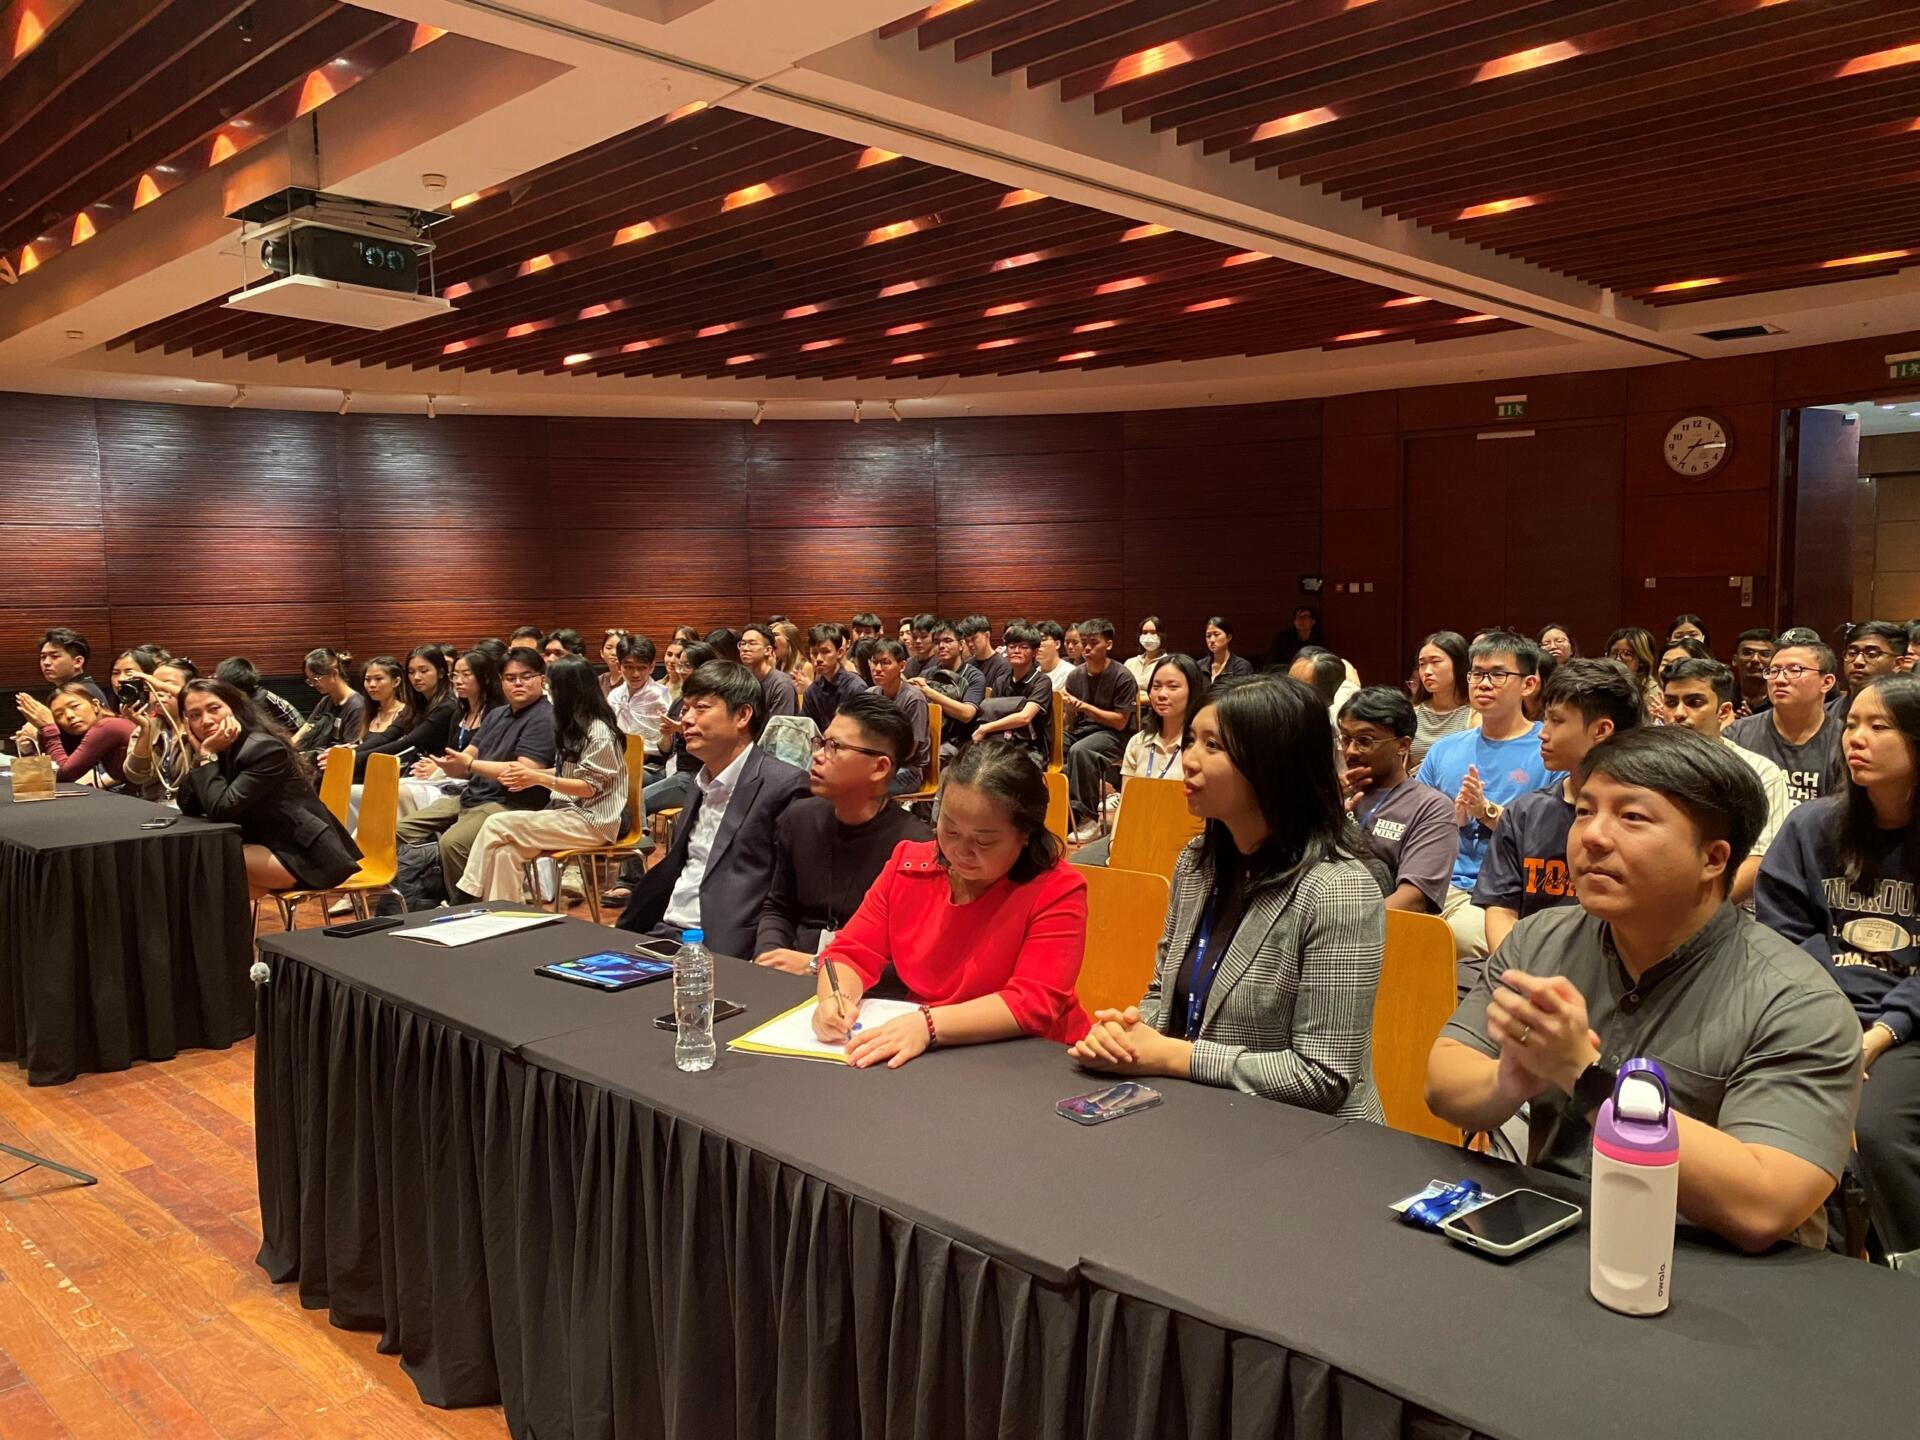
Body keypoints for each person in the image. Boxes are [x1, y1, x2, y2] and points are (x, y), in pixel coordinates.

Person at [1431, 728, 1862, 1251]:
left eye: (1632, 817)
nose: (1592, 836)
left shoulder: (1796, 1000)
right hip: (1555, 1234)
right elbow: (1444, 1080)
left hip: (1714, 1269)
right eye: (1585, 811)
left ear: (1713, 858)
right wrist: (1508, 1080)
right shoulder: (1541, 938)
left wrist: (1583, 1078)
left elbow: (1764, 1204)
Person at [1069, 675, 1385, 1117]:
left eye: (1213, 745)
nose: (1189, 760)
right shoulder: (1197, 862)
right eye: (1190, 741)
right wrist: (1128, 1034)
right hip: (1202, 1111)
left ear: (1273, 763)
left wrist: (1174, 1056)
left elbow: (1322, 1077)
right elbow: (1164, 992)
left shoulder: (1339, 890)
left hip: (1302, 1134)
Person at [1755, 675, 1920, 1263]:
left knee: (1873, 1129)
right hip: (1821, 1011)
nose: (1856, 738)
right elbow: (1782, 933)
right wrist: (1831, 1020)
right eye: (1851, 724)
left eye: (1880, 726)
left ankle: (1906, 1265)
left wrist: (1882, 1033)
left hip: (1906, 1026)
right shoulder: (1813, 826)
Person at [811, 741, 1090, 1066]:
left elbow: (1032, 1003)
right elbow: (850, 952)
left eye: (984, 840)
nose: (961, 851)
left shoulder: (1056, 889)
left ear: (1025, 833)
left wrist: (929, 1025)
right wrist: (835, 1000)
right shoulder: (908, 864)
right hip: (929, 1049)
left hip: (1032, 1057)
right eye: (950, 829)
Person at [618, 660, 810, 955]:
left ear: (743, 715)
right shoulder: (700, 781)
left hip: (723, 943)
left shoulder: (784, 785)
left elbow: (788, 895)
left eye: (701, 708)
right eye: (686, 709)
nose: (686, 719)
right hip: (665, 931)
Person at [752, 692, 933, 973]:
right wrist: (769, 956)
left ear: (879, 767)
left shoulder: (915, 847)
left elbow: (909, 961)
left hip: (862, 986)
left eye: (834, 747)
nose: (817, 755)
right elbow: (778, 907)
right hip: (790, 974)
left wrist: (819, 965)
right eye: (821, 743)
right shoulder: (798, 817)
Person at [1474, 660, 1642, 954]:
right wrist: (1516, 970)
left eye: (1556, 721)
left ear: (1601, 730)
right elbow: (1500, 911)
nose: (1542, 732)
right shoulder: (1524, 813)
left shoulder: (1646, 818)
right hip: (1527, 963)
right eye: (1544, 720)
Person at [1415, 632, 1560, 969]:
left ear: (1528, 685)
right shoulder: (1444, 749)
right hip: (1439, 883)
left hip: (1503, 894)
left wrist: (1487, 811)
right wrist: (1453, 818)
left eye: (1497, 674)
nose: (1483, 683)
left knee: (1459, 937)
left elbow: (1550, 835)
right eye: (1477, 674)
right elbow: (1418, 823)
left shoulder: (1548, 750)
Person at [457, 657, 629, 903]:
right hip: (566, 813)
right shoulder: (574, 725)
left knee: (496, 823)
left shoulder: (599, 732)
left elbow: (588, 788)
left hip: (593, 822)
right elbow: (569, 773)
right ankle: (505, 914)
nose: (549, 693)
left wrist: (537, 777)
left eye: (552, 686)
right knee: (505, 852)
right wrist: (532, 777)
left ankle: (463, 896)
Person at [176, 679, 362, 899]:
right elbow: (188, 804)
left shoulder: (263, 749)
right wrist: (201, 756)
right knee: (210, 879)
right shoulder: (221, 749)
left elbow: (221, 808)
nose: (206, 721)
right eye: (194, 715)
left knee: (209, 860)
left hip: (305, 855)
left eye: (214, 709)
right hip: (265, 844)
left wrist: (207, 755)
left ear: (234, 708)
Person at [395, 647, 556, 895]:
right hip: (473, 795)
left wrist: (469, 765)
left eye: (526, 677)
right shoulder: (497, 714)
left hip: (511, 803)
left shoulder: (544, 717)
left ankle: (469, 906)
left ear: (541, 679)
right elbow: (470, 753)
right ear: (501, 681)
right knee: (400, 831)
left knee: (453, 843)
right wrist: (450, 764)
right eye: (510, 678)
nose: (518, 683)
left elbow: (525, 770)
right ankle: (419, 895)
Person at [1660, 658, 1788, 905]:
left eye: (1694, 702)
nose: (1679, 713)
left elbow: (1760, 860)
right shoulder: (1643, 769)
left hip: (1730, 909)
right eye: (1671, 702)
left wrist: (1693, 912)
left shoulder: (1760, 772)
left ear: (1724, 712)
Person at [1075, 653, 1205, 869]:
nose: (1162, 694)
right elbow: (1126, 803)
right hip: (1137, 832)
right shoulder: (1138, 742)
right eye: (1156, 686)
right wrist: (1115, 844)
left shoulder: (1202, 746)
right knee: (1078, 868)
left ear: (1193, 691)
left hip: (1182, 839)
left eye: (1173, 687)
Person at [1338, 687, 1458, 913]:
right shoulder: (1332, 794)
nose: (1350, 751)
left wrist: (1346, 924)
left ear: (1402, 745)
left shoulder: (1430, 807)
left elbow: (1413, 899)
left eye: (1364, 740)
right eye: (1345, 738)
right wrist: (1325, 812)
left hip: (1377, 923)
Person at [1726, 640, 1847, 808]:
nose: (1779, 680)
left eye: (1795, 670)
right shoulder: (1736, 735)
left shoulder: (1845, 740)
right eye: (1774, 671)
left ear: (1826, 682)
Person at [1063, 618, 1140, 841]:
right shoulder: (1075, 676)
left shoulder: (1122, 676)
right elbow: (1071, 722)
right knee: (1051, 745)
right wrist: (1070, 710)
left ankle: (1089, 819)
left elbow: (1121, 722)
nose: (1086, 648)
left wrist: (1085, 707)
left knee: (1080, 751)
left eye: (1093, 643)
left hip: (1115, 735)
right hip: (1082, 731)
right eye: (1084, 642)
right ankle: (1059, 813)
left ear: (1109, 644)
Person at [15, 683, 136, 785]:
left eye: (75, 706)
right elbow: (45, 774)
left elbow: (66, 774)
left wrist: (48, 729)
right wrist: (30, 748)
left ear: (95, 705)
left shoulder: (108, 726)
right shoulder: (91, 731)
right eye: (59, 715)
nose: (69, 715)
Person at [969, 621, 1053, 762]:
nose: (1016, 651)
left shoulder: (1042, 681)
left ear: (1034, 652)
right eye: (1012, 646)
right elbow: (992, 713)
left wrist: (984, 729)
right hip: (1001, 743)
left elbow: (1025, 717)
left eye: (1023, 647)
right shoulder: (1001, 680)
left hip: (1031, 748)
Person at [910, 620, 987, 760]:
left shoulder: (974, 676)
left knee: (927, 756)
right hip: (929, 736)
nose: (941, 646)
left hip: (959, 742)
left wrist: (928, 691)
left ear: (961, 645)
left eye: (947, 641)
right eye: (937, 642)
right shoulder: (927, 673)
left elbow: (967, 714)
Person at [333, 656, 416, 780]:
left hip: (388, 778)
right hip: (360, 774)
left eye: (378, 679)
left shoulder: (406, 713)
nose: (371, 685)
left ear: (396, 682)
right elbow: (359, 744)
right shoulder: (368, 712)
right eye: (367, 679)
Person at [866, 639, 930, 793]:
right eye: (874, 662)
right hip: (877, 764)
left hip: (908, 769)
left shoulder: (913, 699)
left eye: (885, 663)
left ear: (902, 666)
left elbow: (911, 750)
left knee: (863, 790)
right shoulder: (870, 695)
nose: (877, 669)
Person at [607, 634, 670, 780]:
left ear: (651, 667)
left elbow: (667, 748)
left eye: (642, 668)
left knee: (618, 780)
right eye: (629, 667)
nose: (635, 674)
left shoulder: (661, 697)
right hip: (619, 760)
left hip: (654, 765)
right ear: (619, 666)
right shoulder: (614, 696)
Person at [1410, 630, 1474, 770]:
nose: (1427, 671)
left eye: (1435, 662)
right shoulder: (1411, 714)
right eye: (1422, 664)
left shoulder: (1475, 714)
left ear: (1458, 664)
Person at [291, 647, 368, 753]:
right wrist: (288, 748)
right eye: (310, 681)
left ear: (334, 673)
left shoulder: (357, 706)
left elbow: (349, 749)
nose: (313, 684)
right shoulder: (326, 701)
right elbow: (307, 727)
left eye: (316, 679)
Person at [1836, 621, 1913, 719]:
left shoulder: (1910, 714)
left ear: (1898, 664)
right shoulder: (1825, 712)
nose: (1858, 661)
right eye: (1852, 653)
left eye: (1871, 654)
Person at [800, 623, 868, 731]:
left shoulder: (856, 687)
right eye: (814, 653)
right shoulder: (811, 691)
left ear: (840, 653)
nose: (818, 658)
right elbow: (806, 730)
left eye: (825, 652)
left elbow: (861, 730)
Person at [214, 656, 306, 735]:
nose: (215, 680)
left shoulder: (263, 700)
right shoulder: (238, 697)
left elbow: (300, 729)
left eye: (218, 679)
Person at [738, 622, 798, 717]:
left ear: (768, 650)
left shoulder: (781, 684)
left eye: (752, 643)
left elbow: (779, 725)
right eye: (742, 643)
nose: (745, 648)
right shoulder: (740, 681)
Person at [35, 628, 108, 706]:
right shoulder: (76, 689)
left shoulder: (83, 693)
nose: (46, 662)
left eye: (54, 656)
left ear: (78, 662)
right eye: (43, 657)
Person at [958, 614, 1011, 699]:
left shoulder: (1003, 666)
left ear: (987, 635)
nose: (970, 644)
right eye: (967, 641)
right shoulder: (966, 664)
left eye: (974, 639)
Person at [1734, 628, 1777, 716]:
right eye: (1748, 653)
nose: (1755, 659)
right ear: (1735, 660)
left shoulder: (1783, 701)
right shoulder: (1721, 697)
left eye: (1765, 654)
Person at [1267, 605, 1324, 671]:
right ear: (1294, 622)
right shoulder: (1282, 638)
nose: (1301, 620)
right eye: (1298, 617)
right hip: (1286, 672)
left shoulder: (1317, 638)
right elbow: (1271, 663)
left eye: (1305, 617)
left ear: (1313, 622)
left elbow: (1322, 660)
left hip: (1309, 672)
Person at [1203, 616, 1253, 683]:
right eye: (1208, 636)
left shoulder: (1241, 666)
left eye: (1216, 634)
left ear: (1228, 637)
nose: (1212, 640)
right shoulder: (1199, 666)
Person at [772, 619, 813, 693]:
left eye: (776, 635)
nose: (771, 639)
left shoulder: (805, 666)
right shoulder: (775, 664)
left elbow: (808, 696)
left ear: (790, 639)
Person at [1124, 615, 1164, 687]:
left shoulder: (1167, 664)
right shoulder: (1130, 663)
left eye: (1153, 632)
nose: (1148, 636)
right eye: (1144, 632)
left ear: (1161, 635)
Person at [1035, 619, 1072, 691]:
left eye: (1043, 640)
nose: (1037, 645)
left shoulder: (1070, 673)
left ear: (1057, 644)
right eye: (1035, 641)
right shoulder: (1034, 673)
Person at [903, 613, 938, 680]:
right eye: (914, 637)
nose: (918, 641)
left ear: (934, 636)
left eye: (923, 636)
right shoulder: (909, 662)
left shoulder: (941, 662)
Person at [597, 628, 625, 693]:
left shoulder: (632, 680)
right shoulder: (599, 681)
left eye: (619, 648)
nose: (614, 653)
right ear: (602, 653)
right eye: (609, 648)